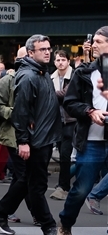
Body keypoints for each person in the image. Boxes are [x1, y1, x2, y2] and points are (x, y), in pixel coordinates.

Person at [0, 35, 61, 235]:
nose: (47, 52)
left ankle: (0, 213)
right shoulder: (28, 76)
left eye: (48, 48)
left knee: (26, 181)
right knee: (36, 184)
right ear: (30, 53)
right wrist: (23, 141)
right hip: (35, 139)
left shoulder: (42, 72)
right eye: (42, 49)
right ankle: (48, 224)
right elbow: (20, 112)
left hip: (43, 137)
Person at [55, 27, 108, 235]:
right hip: (91, 141)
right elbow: (70, 102)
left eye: (99, 41)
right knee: (82, 189)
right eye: (93, 41)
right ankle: (65, 225)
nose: (93, 45)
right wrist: (90, 111)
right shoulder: (84, 73)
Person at [50, 49, 75, 200]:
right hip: (57, 120)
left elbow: (66, 94)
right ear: (54, 62)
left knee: (66, 154)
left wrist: (49, 94)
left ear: (68, 61)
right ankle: (63, 184)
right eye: (58, 60)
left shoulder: (74, 76)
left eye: (63, 60)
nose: (60, 63)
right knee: (62, 155)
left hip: (72, 120)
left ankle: (64, 187)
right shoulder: (51, 77)